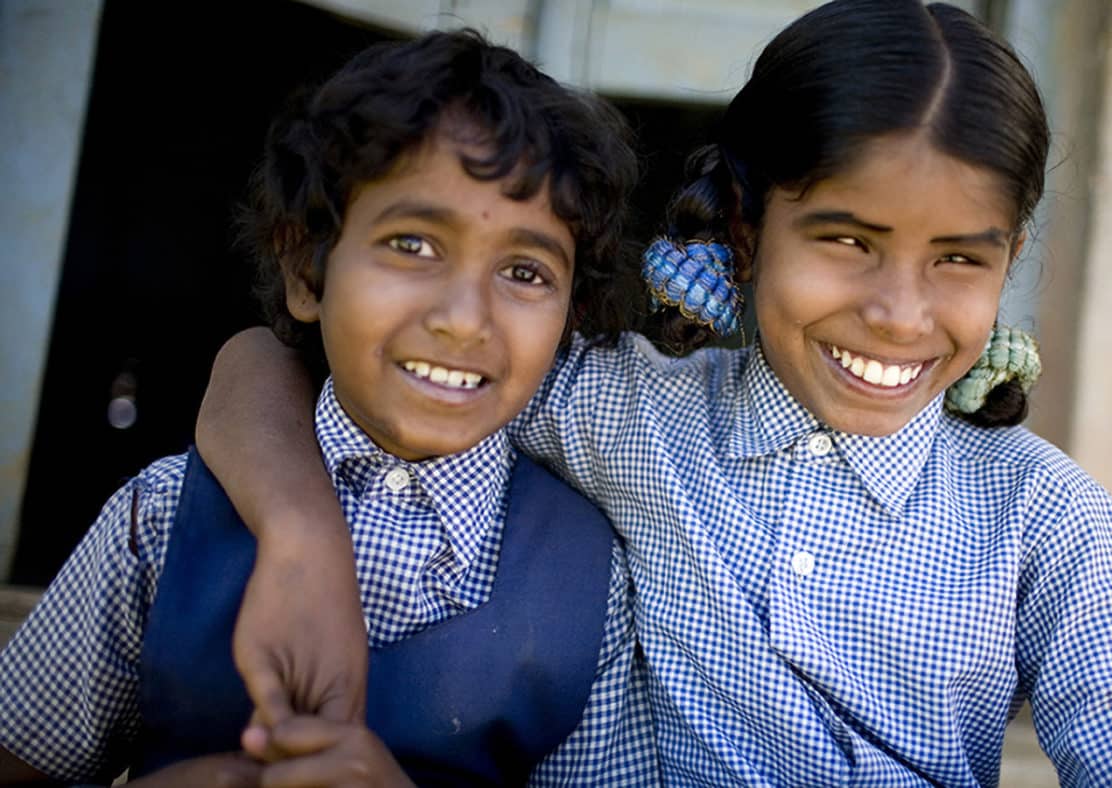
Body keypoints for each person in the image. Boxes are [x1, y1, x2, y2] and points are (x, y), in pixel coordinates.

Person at [196, 1, 1112, 785]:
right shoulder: (631, 413)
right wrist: (300, 536)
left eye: (958, 261)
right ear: (743, 232)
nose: (897, 311)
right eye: (846, 240)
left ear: (1009, 257)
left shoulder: (1038, 514)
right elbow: (280, 359)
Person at [0, 28, 655, 787]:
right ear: (306, 274)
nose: (465, 318)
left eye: (525, 270)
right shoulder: (163, 517)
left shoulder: (589, 583)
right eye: (412, 244)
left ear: (572, 315)